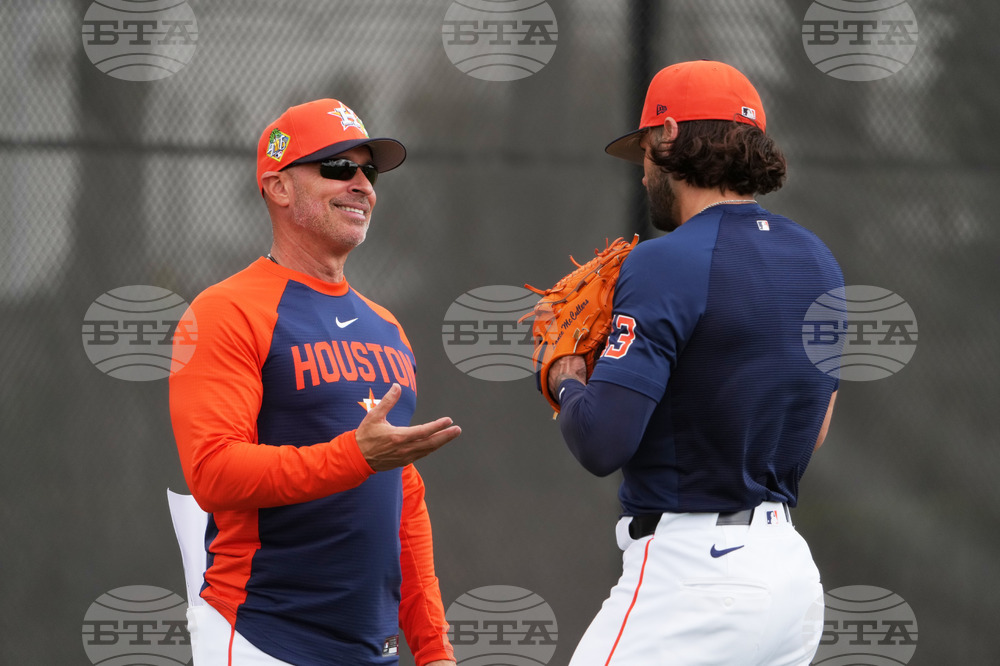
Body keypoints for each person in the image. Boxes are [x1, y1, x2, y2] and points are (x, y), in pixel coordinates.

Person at [547, 61, 844, 664]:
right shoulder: (817, 260)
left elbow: (601, 443)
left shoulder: (665, 263)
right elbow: (815, 431)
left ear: (670, 137)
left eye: (646, 152)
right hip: (789, 579)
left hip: (692, 579)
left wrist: (565, 377)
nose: (643, 173)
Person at [169, 98, 460, 666]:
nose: (361, 184)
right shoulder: (225, 309)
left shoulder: (389, 328)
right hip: (261, 637)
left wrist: (434, 650)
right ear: (278, 187)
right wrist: (355, 455)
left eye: (368, 171)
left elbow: (404, 500)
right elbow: (213, 473)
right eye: (336, 167)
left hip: (373, 650)